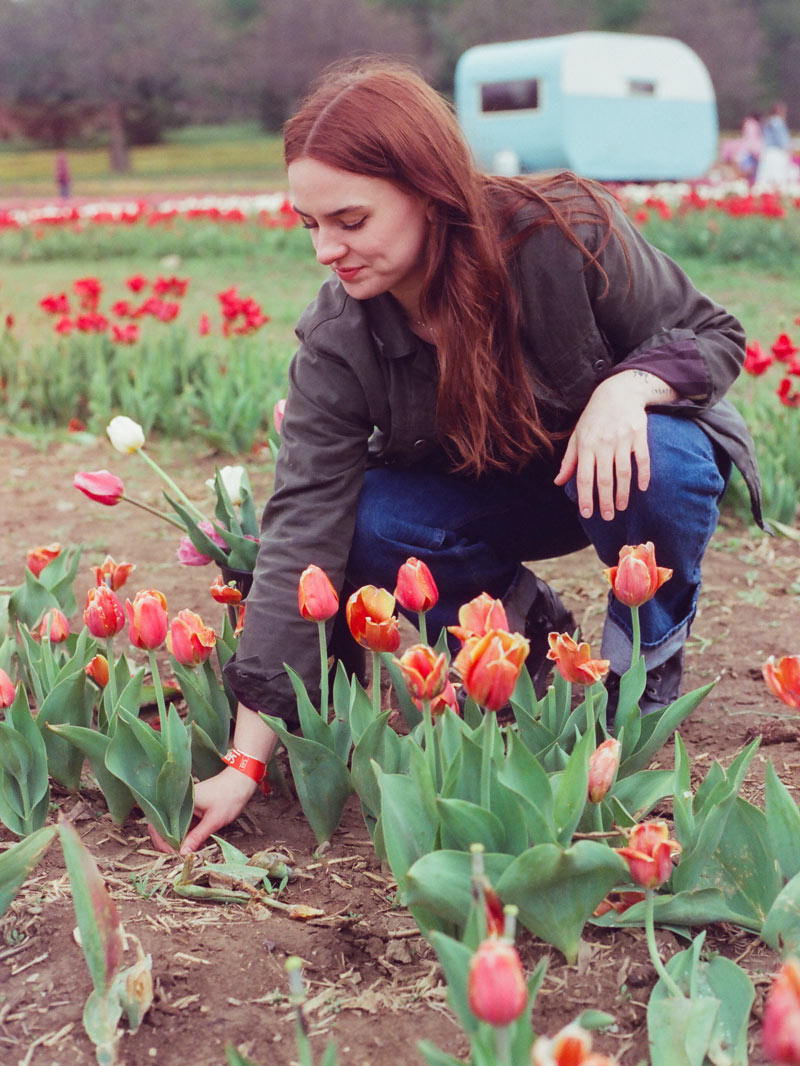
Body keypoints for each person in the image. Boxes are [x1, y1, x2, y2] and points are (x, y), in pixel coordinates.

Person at [151, 58, 763, 855]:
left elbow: (715, 334)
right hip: (483, 500)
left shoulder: (561, 233)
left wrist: (631, 385)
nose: (325, 250)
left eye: (350, 220)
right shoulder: (341, 339)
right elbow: (303, 528)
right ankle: (526, 638)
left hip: (614, 474)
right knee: (368, 518)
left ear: (430, 190)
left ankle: (641, 676)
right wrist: (244, 760)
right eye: (310, 224)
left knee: (668, 449)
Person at [756, 102, 792, 189]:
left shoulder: (768, 121)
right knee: (778, 180)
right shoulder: (777, 122)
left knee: (766, 181)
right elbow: (783, 141)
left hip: (767, 153)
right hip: (776, 154)